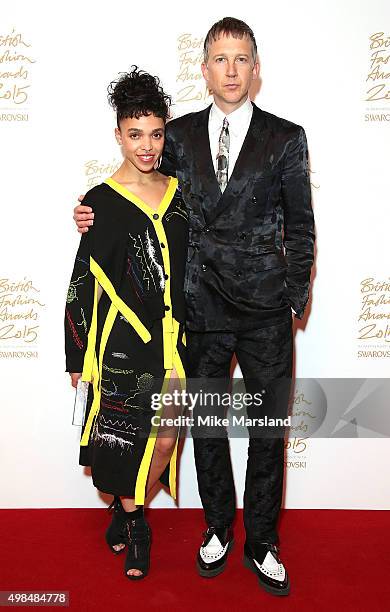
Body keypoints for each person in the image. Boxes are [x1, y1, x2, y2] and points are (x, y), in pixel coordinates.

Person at [73, 18, 315, 596]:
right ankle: (215, 529)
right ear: (204, 69)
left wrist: (293, 299)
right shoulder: (175, 137)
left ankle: (261, 541)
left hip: (264, 315)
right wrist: (89, 210)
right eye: (220, 59)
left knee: (267, 430)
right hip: (201, 311)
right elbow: (141, 188)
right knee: (205, 428)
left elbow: (301, 224)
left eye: (241, 59)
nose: (231, 70)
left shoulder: (286, 137)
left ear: (255, 69)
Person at [65, 67, 188, 580]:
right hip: (122, 346)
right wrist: (77, 356)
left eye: (156, 134)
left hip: (178, 342)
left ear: (166, 133)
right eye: (135, 134)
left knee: (167, 436)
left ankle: (126, 510)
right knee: (119, 445)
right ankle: (136, 523)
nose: (146, 146)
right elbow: (81, 283)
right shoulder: (98, 202)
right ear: (118, 134)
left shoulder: (182, 191)